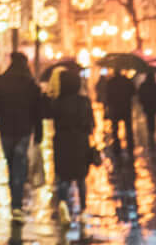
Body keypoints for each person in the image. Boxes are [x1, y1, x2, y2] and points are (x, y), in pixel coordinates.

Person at [0, 51, 43, 222]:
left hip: (6, 129)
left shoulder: (0, 81)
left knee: (11, 164)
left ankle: (15, 200)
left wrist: (0, 114)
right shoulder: (31, 83)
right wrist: (39, 133)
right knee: (20, 164)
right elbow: (37, 110)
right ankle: (17, 204)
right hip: (24, 130)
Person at [43, 69, 97, 233]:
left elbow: (47, 114)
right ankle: (82, 211)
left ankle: (64, 206)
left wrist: (47, 96)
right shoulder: (84, 101)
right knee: (81, 178)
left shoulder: (58, 102)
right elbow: (91, 124)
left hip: (62, 141)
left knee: (63, 178)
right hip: (80, 141)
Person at [103, 69, 137, 153]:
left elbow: (107, 96)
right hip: (126, 107)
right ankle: (130, 145)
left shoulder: (111, 82)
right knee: (128, 128)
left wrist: (106, 107)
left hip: (115, 109)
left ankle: (116, 146)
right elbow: (134, 92)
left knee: (115, 129)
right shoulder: (126, 81)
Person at [138, 71, 156, 145]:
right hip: (153, 104)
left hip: (146, 104)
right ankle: (152, 131)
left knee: (149, 117)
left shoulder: (143, 85)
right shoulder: (155, 85)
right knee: (152, 118)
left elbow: (140, 94)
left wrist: (142, 102)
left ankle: (150, 131)